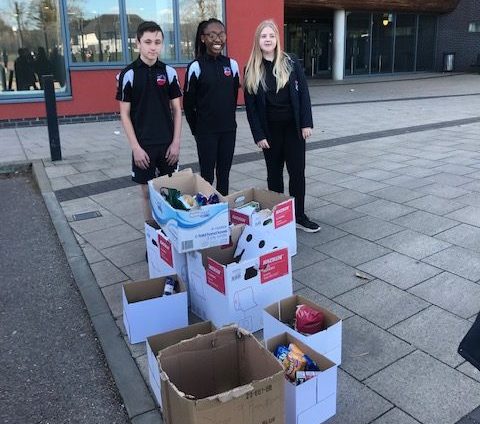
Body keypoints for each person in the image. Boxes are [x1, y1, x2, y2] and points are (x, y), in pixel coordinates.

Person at [243, 19, 320, 233]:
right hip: (269, 133)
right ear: (257, 40)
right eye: (263, 36)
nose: (268, 39)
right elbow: (251, 109)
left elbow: (303, 94)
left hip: (294, 129)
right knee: (274, 175)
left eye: (271, 36)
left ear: (277, 39)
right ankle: (279, 215)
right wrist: (258, 135)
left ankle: (299, 215)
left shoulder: (291, 61)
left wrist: (306, 123)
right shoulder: (251, 68)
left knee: (297, 173)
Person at [116, 21, 182, 222]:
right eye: (148, 42)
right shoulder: (129, 74)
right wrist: (135, 147)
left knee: (171, 193)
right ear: (138, 44)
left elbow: (177, 110)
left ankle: (170, 236)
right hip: (143, 145)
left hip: (167, 144)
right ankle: (151, 237)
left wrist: (176, 143)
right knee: (146, 193)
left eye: (157, 42)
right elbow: (124, 114)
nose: (153, 47)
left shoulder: (169, 73)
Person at [183, 18, 239, 196]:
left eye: (221, 34)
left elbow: (233, 97)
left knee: (224, 174)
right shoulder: (195, 67)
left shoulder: (232, 65)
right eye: (212, 35)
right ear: (203, 38)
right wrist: (197, 130)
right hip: (206, 132)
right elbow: (188, 103)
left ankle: (222, 212)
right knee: (207, 175)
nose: (217, 39)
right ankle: (207, 211)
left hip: (228, 130)